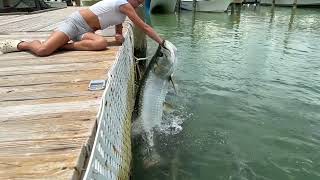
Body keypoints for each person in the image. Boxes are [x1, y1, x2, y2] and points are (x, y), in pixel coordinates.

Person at [0, 0, 164, 56]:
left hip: (86, 32)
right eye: (138, 2)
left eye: (141, 3)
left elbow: (118, 24)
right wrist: (161, 42)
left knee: (101, 44)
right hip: (74, 23)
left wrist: (119, 35)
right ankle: (22, 44)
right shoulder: (123, 3)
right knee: (43, 51)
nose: (138, 5)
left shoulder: (124, 10)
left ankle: (63, 46)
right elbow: (143, 26)